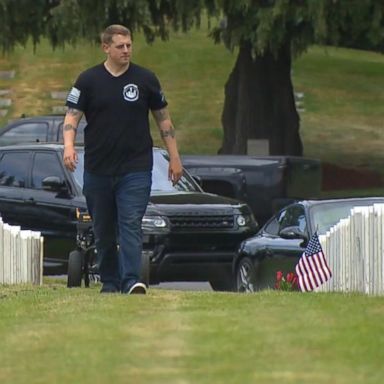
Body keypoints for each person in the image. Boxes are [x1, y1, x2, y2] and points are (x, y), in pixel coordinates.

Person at [62, 24, 183, 294]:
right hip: (98, 169)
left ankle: (131, 281)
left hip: (135, 168)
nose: (126, 50)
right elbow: (71, 116)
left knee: (130, 223)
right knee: (104, 230)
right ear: (106, 47)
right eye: (120, 46)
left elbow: (163, 119)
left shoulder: (146, 79)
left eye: (129, 45)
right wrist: (68, 147)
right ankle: (110, 281)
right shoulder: (88, 80)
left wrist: (174, 157)